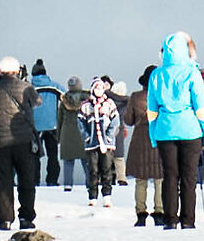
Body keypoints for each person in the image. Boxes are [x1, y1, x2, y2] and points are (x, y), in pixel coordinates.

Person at [145, 33, 204, 229]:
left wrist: (153, 135)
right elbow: (202, 108)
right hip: (191, 131)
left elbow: (151, 110)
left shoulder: (156, 75)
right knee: (189, 177)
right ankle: (187, 220)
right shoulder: (192, 73)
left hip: (164, 132)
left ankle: (169, 220)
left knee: (169, 176)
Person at [0, 56, 42, 232]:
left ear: (0, 71)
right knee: (26, 180)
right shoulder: (26, 87)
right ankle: (26, 217)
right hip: (23, 140)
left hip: (0, 142)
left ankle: (5, 219)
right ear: (17, 71)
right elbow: (37, 102)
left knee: (2, 182)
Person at [124, 66, 159, 224]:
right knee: (160, 178)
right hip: (159, 138)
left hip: (140, 139)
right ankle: (160, 211)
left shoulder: (135, 97)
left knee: (141, 179)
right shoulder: (162, 97)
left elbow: (128, 120)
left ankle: (141, 213)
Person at [80, 75, 121, 206]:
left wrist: (109, 136)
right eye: (96, 87)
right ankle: (92, 196)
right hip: (91, 143)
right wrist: (86, 137)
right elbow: (80, 123)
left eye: (101, 87)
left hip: (107, 144)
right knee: (92, 170)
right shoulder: (85, 106)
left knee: (107, 169)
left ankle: (107, 196)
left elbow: (115, 121)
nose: (99, 89)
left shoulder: (109, 104)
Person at [31, 60, 63, 186]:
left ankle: (34, 181)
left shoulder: (29, 87)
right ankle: (52, 180)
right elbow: (67, 97)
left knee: (34, 156)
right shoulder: (54, 86)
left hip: (35, 127)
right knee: (53, 155)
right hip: (51, 125)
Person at [58, 76, 89, 192]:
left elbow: (59, 119)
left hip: (67, 133)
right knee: (86, 161)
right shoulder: (87, 100)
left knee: (68, 160)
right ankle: (90, 182)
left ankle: (67, 184)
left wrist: (58, 137)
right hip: (83, 132)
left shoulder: (64, 100)